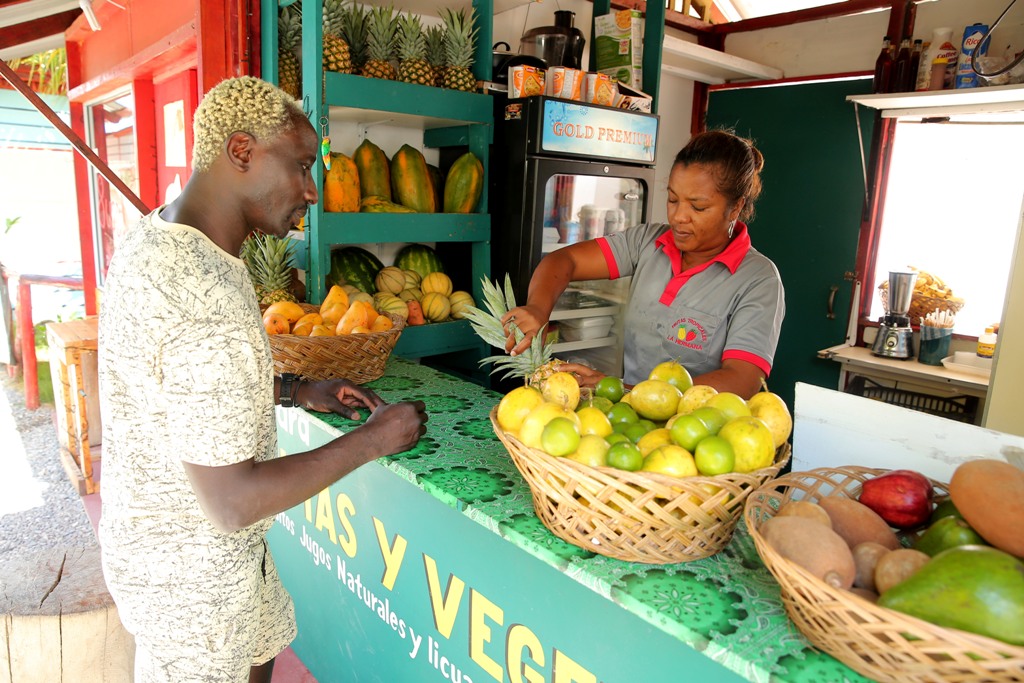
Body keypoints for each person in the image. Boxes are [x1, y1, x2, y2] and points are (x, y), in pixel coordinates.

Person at [97, 76, 428, 683]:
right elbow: (233, 501)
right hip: (194, 589)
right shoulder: (203, 292)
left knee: (262, 647)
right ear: (242, 152)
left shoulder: (159, 235)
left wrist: (292, 390)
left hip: (187, 557)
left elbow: (174, 380)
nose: (311, 189)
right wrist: (375, 438)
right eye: (302, 166)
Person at [504, 129, 784, 399]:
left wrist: (627, 391)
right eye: (673, 199)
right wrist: (538, 309)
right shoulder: (648, 242)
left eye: (697, 207)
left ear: (735, 207)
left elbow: (742, 379)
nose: (678, 217)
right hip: (630, 419)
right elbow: (564, 260)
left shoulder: (758, 279)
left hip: (700, 433)